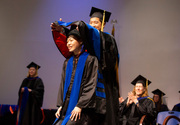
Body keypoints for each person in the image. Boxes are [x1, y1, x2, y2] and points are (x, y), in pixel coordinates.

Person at [50, 7, 120, 125]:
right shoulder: (88, 43)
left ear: (103, 24)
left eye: (96, 22)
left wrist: (78, 27)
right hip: (83, 96)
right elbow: (75, 43)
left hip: (103, 92)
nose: (92, 25)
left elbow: (93, 38)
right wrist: (62, 30)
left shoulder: (108, 39)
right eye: (90, 22)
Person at [54, 29, 98, 125]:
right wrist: (61, 105)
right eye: (67, 41)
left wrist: (80, 105)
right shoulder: (67, 62)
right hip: (67, 105)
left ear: (81, 41)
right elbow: (63, 85)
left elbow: (90, 84)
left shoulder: (90, 60)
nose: (68, 43)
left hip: (82, 108)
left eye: (71, 40)